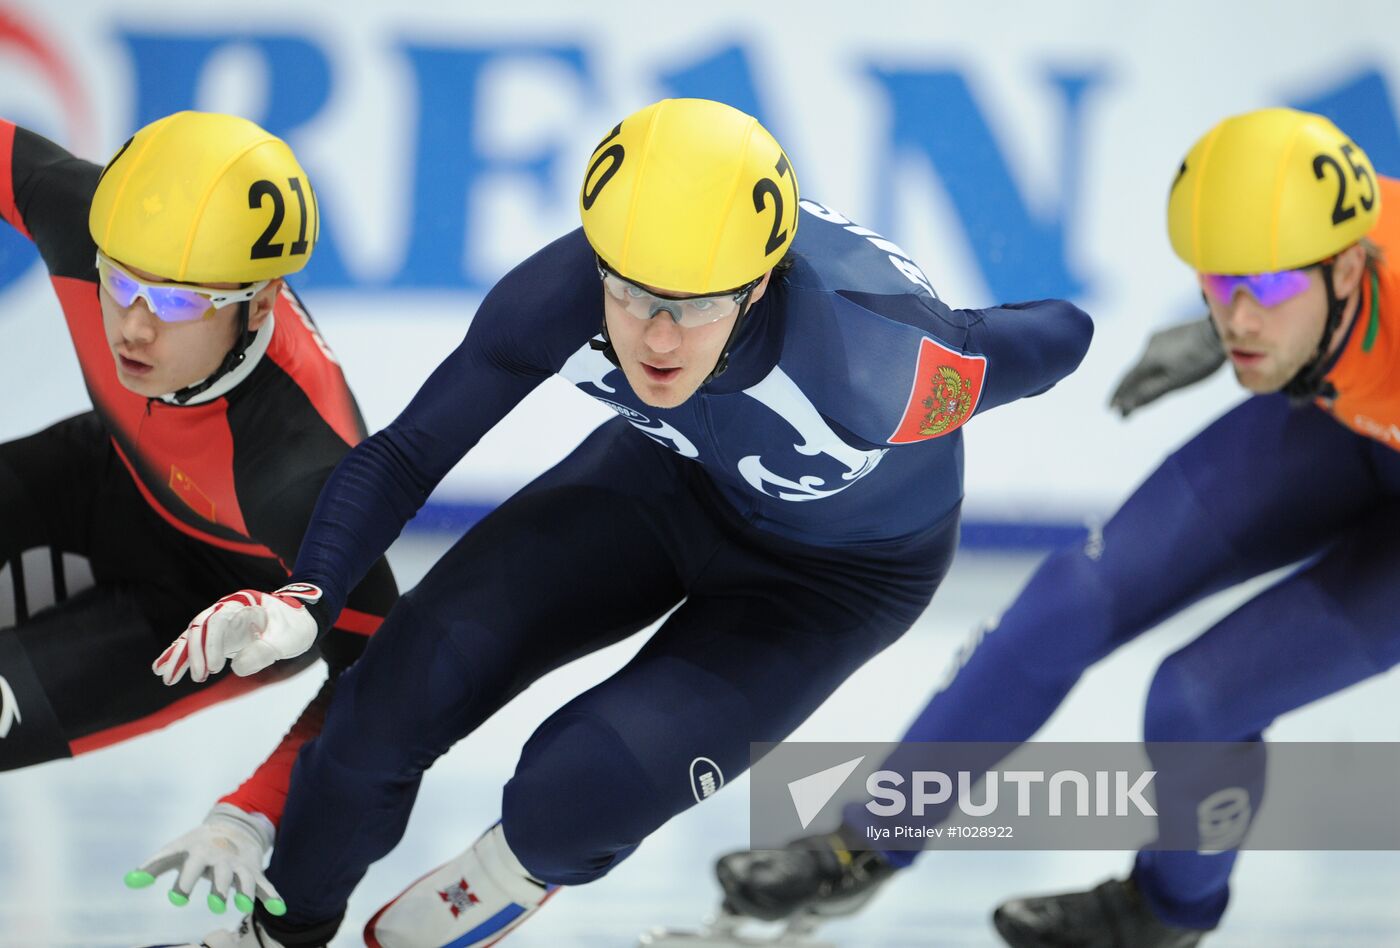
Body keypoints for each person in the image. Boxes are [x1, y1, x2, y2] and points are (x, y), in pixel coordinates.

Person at [154, 97, 1091, 948]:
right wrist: (304, 597)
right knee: (385, 703)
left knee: (574, 791)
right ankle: (274, 938)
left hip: (835, 583)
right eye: (631, 295)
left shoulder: (884, 365)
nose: (653, 339)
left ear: (757, 286)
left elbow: (1062, 335)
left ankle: (511, 873)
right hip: (665, 483)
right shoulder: (560, 292)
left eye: (689, 308)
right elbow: (407, 452)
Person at [706, 107, 1400, 948]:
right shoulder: (1334, 252)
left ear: (1356, 269)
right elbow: (1273, 278)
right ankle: (865, 844)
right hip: (1349, 423)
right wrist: (1238, 327)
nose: (1240, 317)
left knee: (1200, 699)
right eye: (1218, 284)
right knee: (1072, 597)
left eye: (1272, 289)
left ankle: (1164, 912)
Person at [0, 111, 396, 915]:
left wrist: (252, 811)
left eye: (180, 302)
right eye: (121, 284)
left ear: (259, 306)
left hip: (203, 618)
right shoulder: (82, 221)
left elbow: (386, 685)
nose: (135, 326)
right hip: (106, 476)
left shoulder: (306, 473)